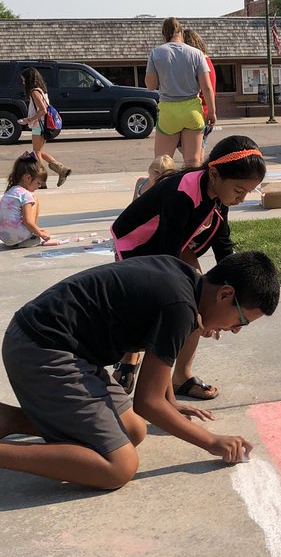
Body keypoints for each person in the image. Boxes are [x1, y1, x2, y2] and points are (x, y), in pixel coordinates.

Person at [0, 250, 280, 529]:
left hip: (55, 345)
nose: (236, 330)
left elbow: (155, 385)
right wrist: (212, 442)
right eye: (242, 321)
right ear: (226, 294)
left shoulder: (183, 280)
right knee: (118, 465)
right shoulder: (180, 308)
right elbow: (148, 402)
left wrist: (172, 404)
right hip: (43, 351)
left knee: (133, 431)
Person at [111, 134, 266, 399]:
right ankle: (131, 356)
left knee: (201, 298)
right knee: (175, 305)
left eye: (248, 192)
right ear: (215, 173)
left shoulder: (220, 196)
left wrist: (238, 290)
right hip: (138, 245)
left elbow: (223, 244)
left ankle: (182, 375)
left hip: (174, 244)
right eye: (239, 191)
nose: (242, 198)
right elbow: (166, 258)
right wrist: (192, 312)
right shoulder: (182, 192)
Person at [146, 17, 216, 168]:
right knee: (193, 163)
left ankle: (164, 189)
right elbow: (207, 87)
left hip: (168, 110)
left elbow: (151, 85)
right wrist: (212, 112)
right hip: (192, 110)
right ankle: (191, 190)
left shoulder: (156, 53)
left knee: (162, 163)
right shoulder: (197, 54)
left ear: (164, 35)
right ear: (181, 32)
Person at [18, 68, 72, 186]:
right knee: (39, 152)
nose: (23, 82)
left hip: (39, 125)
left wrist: (28, 120)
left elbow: (42, 110)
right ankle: (61, 170)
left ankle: (41, 180)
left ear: (29, 79)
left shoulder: (34, 91)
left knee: (36, 152)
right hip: (44, 125)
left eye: (23, 79)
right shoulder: (42, 90)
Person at [0, 151, 55, 248]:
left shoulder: (11, 191)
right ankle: (30, 236)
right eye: (38, 183)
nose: (39, 186)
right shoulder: (26, 195)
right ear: (28, 178)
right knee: (35, 199)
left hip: (4, 236)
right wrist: (40, 234)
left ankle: (31, 232)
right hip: (16, 236)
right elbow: (27, 221)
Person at [182, 28, 217, 145]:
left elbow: (207, 89)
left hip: (198, 111)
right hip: (202, 112)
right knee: (195, 154)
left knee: (195, 157)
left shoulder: (199, 62)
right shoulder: (206, 61)